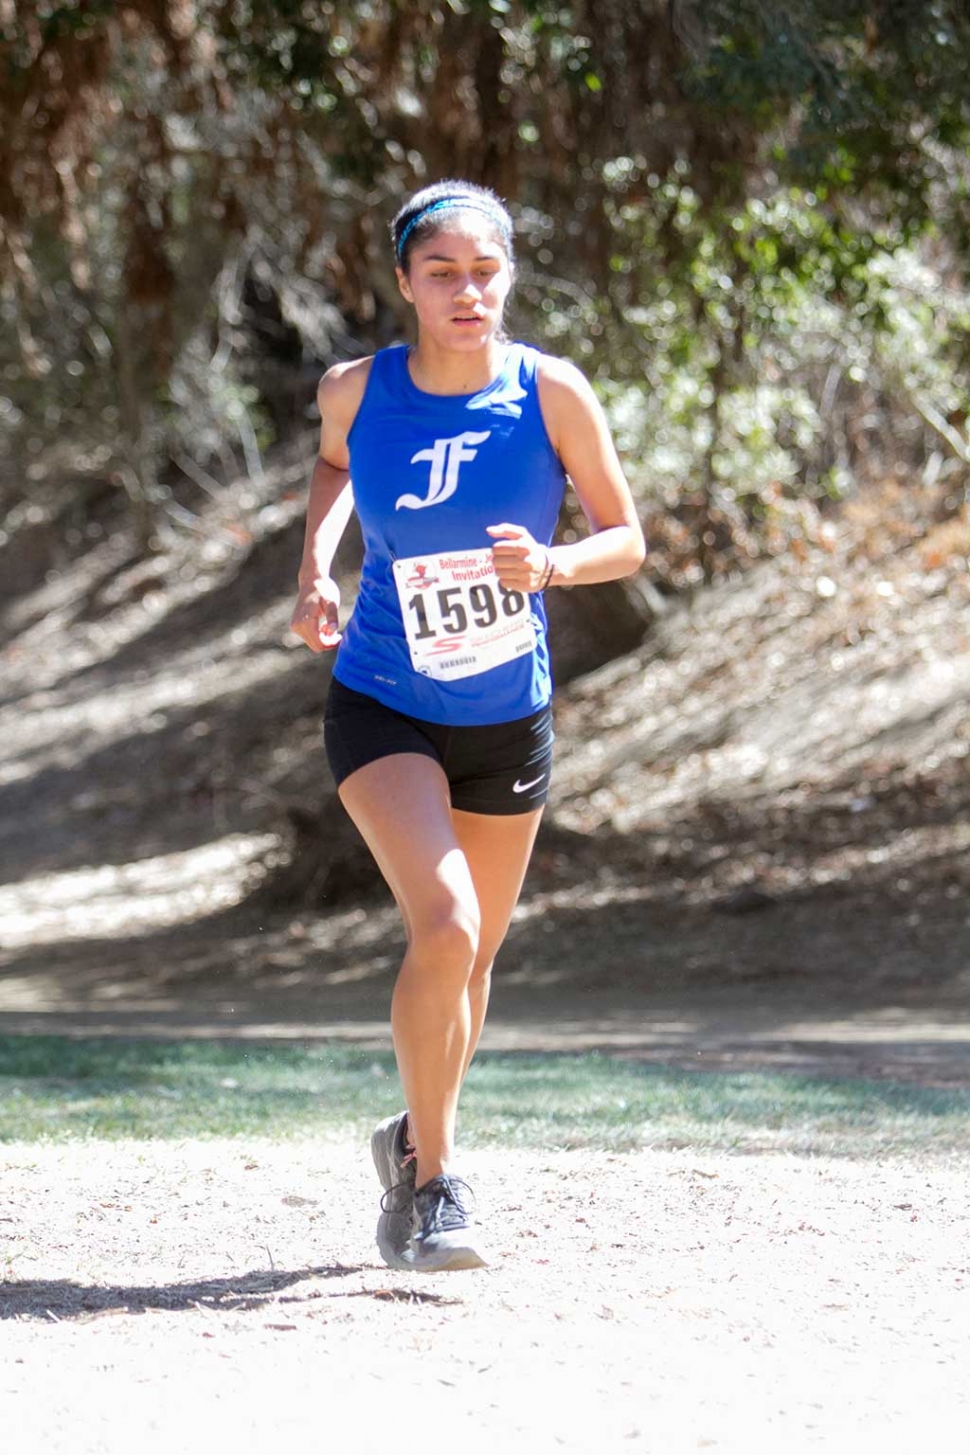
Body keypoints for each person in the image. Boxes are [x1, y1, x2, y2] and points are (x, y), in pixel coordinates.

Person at [290, 179, 645, 1272]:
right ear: (404, 283)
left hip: (508, 713)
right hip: (384, 697)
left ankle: (409, 1136)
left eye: (484, 270)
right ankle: (438, 1187)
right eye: (440, 272)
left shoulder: (552, 393)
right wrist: (313, 563)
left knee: (476, 954)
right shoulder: (356, 390)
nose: (466, 291)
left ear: (508, 279)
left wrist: (552, 564)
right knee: (442, 927)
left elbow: (624, 537)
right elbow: (336, 468)